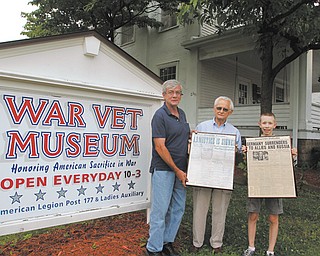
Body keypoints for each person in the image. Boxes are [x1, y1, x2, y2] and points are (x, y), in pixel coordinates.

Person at [144, 79, 190, 256]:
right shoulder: (160, 116)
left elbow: (181, 136)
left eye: (178, 92)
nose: (174, 95)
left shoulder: (182, 114)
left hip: (181, 169)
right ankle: (153, 249)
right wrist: (177, 171)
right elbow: (160, 147)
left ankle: (166, 243)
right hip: (164, 170)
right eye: (170, 92)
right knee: (160, 210)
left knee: (177, 208)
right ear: (164, 95)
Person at [191, 96, 242, 254]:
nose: (221, 111)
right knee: (200, 208)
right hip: (203, 175)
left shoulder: (234, 132)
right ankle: (197, 242)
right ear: (214, 109)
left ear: (230, 112)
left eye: (225, 109)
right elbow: (194, 149)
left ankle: (216, 242)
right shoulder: (202, 126)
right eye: (219, 108)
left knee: (220, 209)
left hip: (222, 176)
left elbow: (238, 154)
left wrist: (235, 151)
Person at [242, 112, 298, 256]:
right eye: (264, 123)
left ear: (275, 124)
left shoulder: (282, 143)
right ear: (259, 124)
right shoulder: (253, 142)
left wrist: (292, 155)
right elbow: (246, 163)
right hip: (257, 182)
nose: (267, 126)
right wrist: (245, 153)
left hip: (275, 183)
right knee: (253, 214)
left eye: (269, 123)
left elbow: (287, 166)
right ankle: (251, 247)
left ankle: (270, 250)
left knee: (273, 217)